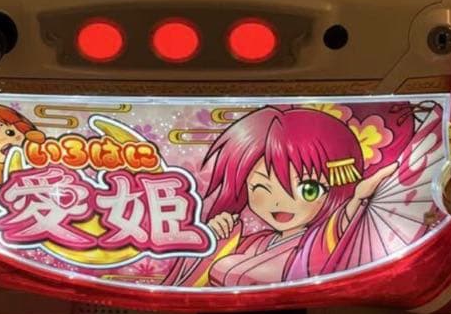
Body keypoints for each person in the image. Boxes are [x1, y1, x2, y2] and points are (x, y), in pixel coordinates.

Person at [165, 106, 397, 287]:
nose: (278, 202)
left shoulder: (319, 241)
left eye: (307, 188)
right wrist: (214, 238)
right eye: (260, 187)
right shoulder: (256, 242)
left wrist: (357, 200)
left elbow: (339, 231)